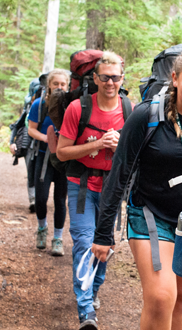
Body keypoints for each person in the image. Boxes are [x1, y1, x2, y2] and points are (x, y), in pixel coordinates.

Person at [91, 50, 182, 330]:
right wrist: (103, 233)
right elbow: (119, 173)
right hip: (151, 213)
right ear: (174, 78)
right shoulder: (147, 115)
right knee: (162, 297)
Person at [56, 51, 128, 330]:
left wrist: (119, 145)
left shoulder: (129, 109)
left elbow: (136, 154)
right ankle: (86, 310)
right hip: (81, 185)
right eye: (105, 77)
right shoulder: (78, 108)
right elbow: (62, 153)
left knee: (105, 244)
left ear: (122, 79)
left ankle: (94, 288)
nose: (110, 82)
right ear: (95, 78)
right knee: (86, 243)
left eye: (115, 77)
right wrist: (97, 145)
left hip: (113, 187)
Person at [27, 70, 69, 256]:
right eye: (56, 84)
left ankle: (58, 239)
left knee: (60, 200)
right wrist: (48, 138)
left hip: (63, 159)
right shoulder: (39, 104)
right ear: (49, 85)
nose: (59, 87)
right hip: (43, 157)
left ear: (68, 86)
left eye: (63, 84)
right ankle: (42, 229)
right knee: (41, 198)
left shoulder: (71, 105)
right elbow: (31, 130)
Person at [9, 78, 40, 213]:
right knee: (31, 171)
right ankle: (33, 200)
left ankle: (39, 199)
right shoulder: (29, 107)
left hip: (43, 144)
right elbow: (18, 125)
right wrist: (12, 142)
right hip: (29, 144)